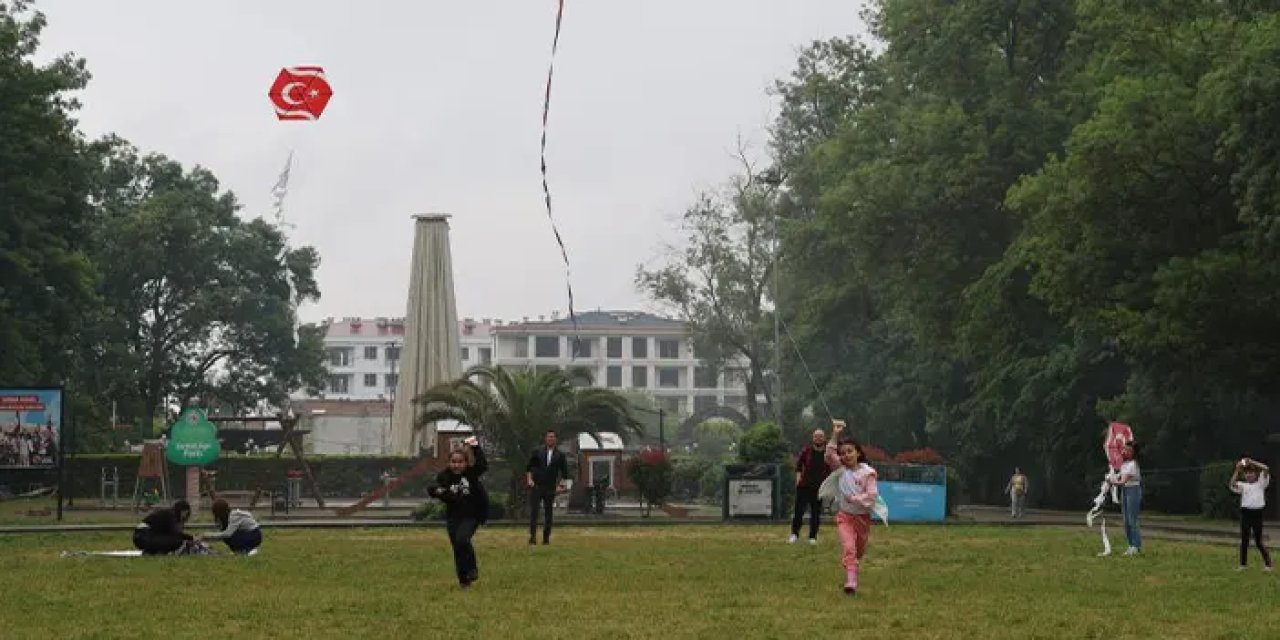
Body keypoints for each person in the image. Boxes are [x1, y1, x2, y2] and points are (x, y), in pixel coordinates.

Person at [823, 420, 879, 596]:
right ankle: (851, 582)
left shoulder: (867, 473)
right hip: (845, 517)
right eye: (843, 453)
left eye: (850, 451)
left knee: (858, 551)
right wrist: (835, 434)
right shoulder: (840, 470)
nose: (846, 455)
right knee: (849, 548)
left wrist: (854, 498)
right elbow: (829, 455)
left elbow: (871, 496)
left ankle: (851, 562)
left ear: (858, 453)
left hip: (862, 519)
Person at [428, 437, 489, 589]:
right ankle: (464, 581)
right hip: (453, 516)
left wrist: (475, 447)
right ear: (449, 463)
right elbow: (435, 490)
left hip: (471, 515)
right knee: (457, 547)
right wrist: (439, 492)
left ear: (466, 463)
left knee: (463, 540)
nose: (456, 465)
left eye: (460, 462)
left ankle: (472, 569)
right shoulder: (444, 477)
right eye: (453, 462)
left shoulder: (471, 474)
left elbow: (483, 465)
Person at [525, 430, 569, 545]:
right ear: (545, 439)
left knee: (548, 513)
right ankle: (532, 537)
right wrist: (529, 480)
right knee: (534, 512)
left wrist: (561, 486)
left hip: (550, 487)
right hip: (536, 486)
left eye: (553, 437)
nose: (550, 439)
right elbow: (529, 468)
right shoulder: (537, 452)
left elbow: (565, 474)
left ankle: (546, 538)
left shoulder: (560, 455)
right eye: (548, 437)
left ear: (556, 440)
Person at [1229, 457, 1273, 571]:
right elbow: (1232, 484)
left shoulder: (1261, 483)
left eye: (1251, 473)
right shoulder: (1243, 486)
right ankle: (1243, 565)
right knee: (1244, 540)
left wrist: (1251, 462)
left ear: (1256, 474)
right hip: (1246, 514)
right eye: (1247, 473)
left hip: (1257, 514)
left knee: (1258, 541)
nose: (1249, 475)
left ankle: (1268, 564)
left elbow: (1266, 468)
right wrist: (1237, 470)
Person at [790, 428, 832, 544]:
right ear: (813, 438)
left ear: (824, 438)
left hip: (819, 488)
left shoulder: (827, 454)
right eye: (816, 436)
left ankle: (812, 537)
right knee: (799, 511)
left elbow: (829, 471)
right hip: (804, 486)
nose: (818, 438)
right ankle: (794, 534)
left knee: (816, 513)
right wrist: (798, 480)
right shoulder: (806, 451)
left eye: (821, 436)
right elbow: (799, 466)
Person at [1108, 442, 1142, 556]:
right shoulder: (1124, 464)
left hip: (1133, 491)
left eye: (1128, 450)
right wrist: (1111, 477)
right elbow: (1120, 477)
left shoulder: (1133, 464)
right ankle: (1130, 544)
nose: (1125, 452)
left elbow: (1122, 481)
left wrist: (1112, 481)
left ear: (1133, 452)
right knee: (1126, 521)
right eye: (1124, 449)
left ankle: (1136, 546)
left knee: (1132, 520)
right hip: (1125, 491)